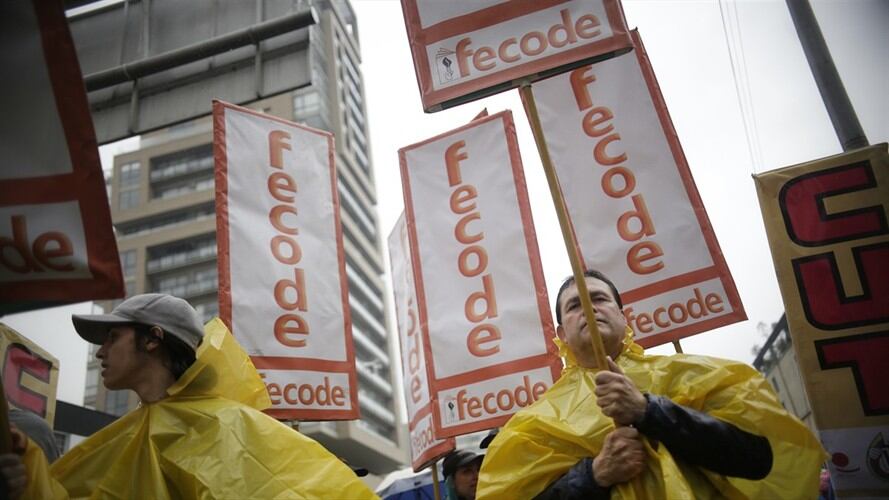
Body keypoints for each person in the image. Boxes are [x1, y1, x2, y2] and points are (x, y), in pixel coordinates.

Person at [477, 270, 826, 499]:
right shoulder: (533, 425)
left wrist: (650, 411)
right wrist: (594, 475)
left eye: (598, 299)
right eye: (575, 305)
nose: (589, 308)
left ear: (623, 315)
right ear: (560, 334)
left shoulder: (694, 375)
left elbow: (758, 459)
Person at [13, 293, 377, 499]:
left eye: (112, 338)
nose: (100, 353)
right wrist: (26, 472)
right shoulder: (126, 437)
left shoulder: (229, 426)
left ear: (153, 338)